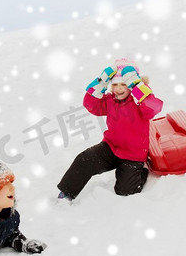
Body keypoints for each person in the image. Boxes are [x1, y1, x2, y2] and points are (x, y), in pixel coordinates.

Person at [57, 58, 163, 201]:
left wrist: (138, 86)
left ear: (132, 85)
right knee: (85, 159)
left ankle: (140, 173)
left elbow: (154, 108)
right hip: (111, 148)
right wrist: (101, 81)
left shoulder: (140, 102)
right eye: (115, 85)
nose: (118, 89)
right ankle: (67, 193)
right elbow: (91, 104)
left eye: (123, 85)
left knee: (124, 191)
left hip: (133, 155)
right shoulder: (110, 100)